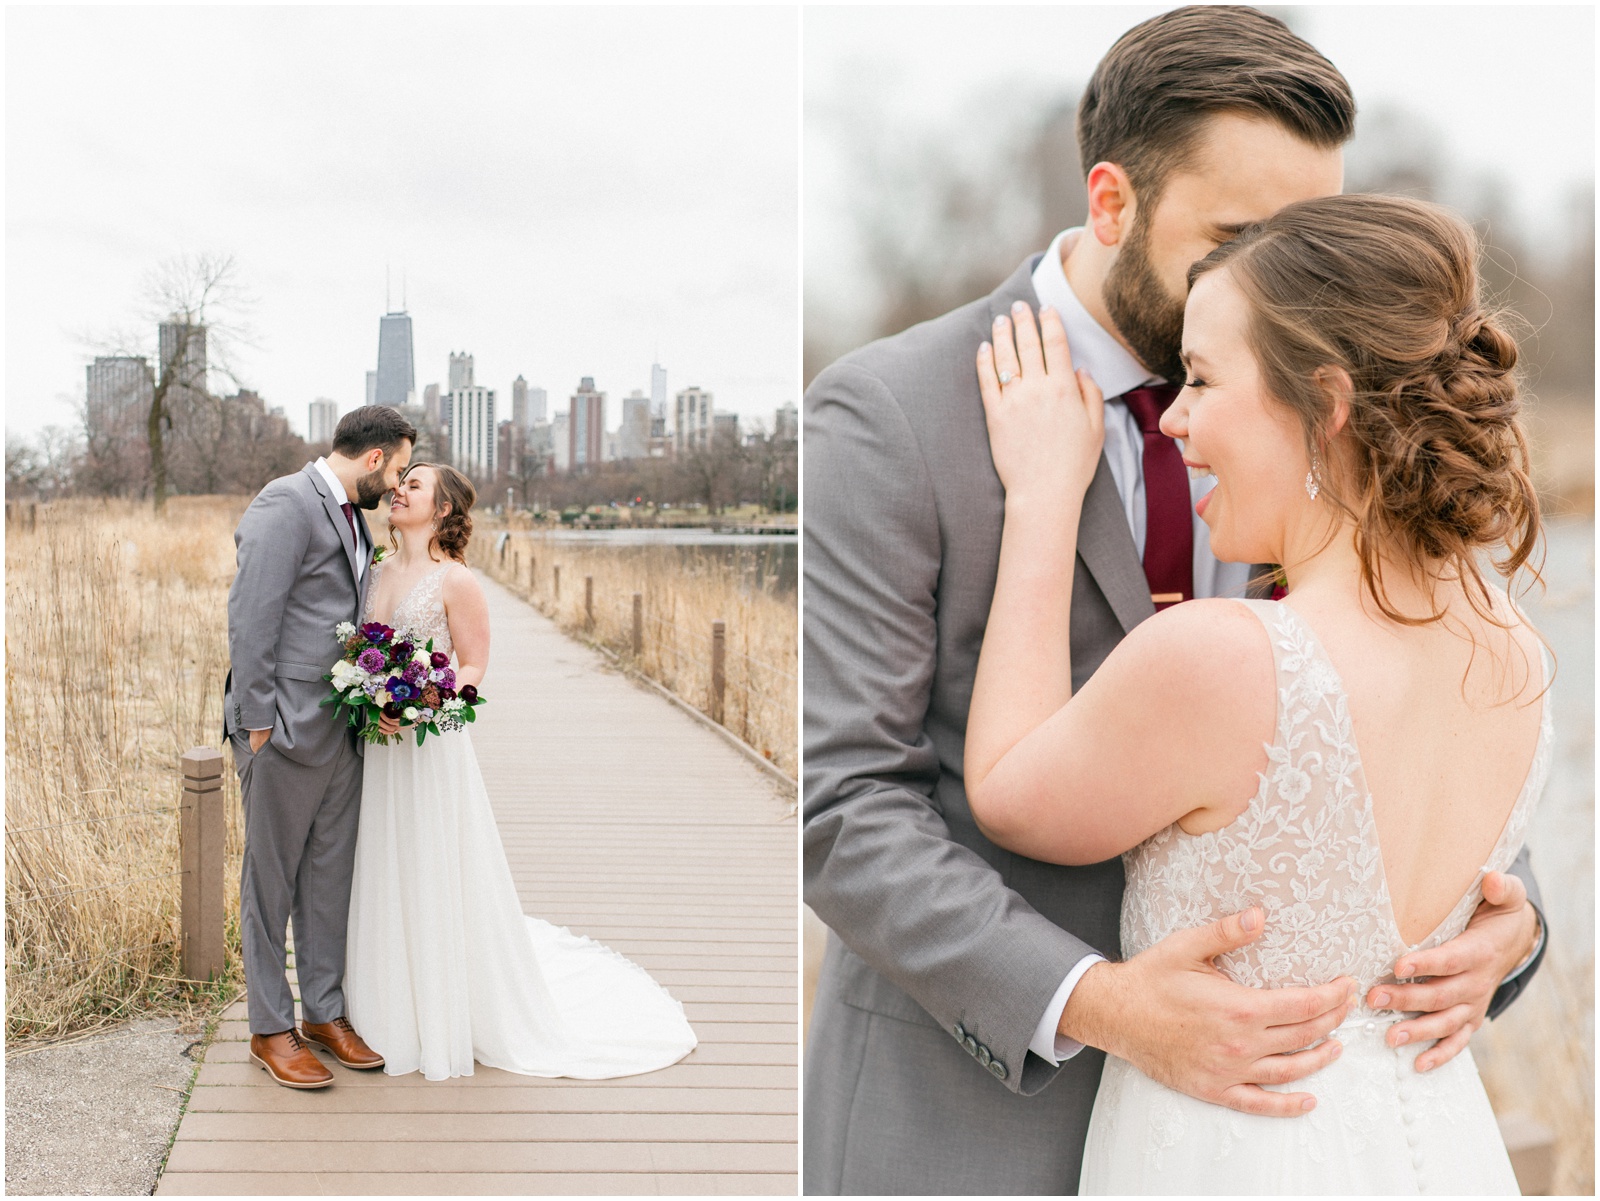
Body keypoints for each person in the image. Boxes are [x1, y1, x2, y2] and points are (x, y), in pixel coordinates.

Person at [802, 7, 1546, 1193]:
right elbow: (839, 806)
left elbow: (1400, 704)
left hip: (1277, 1127)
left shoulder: (1332, 416)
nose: (1280, 275)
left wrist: (1507, 924)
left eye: (1311, 234)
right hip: (967, 1118)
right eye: (1240, 234)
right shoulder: (890, 414)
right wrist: (1100, 1004)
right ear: (1111, 203)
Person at [966, 192, 1549, 1193]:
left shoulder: (1226, 658)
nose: (1175, 420)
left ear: (1324, 404)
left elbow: (1008, 792)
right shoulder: (1517, 648)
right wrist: (1523, 926)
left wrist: (1042, 500)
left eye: (1198, 378)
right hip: (1439, 1147)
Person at [342, 462, 698, 1080]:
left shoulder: (455, 581)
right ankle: (379, 1006)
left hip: (428, 748)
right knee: (380, 861)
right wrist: (368, 696)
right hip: (378, 746)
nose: (399, 490)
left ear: (445, 510)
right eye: (402, 482)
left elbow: (474, 663)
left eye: (415, 485)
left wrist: (422, 699)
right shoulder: (372, 570)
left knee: (431, 861)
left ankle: (443, 1008)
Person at [226, 404, 415, 1088]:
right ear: (374, 457)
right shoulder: (286, 501)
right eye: (397, 469)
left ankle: (323, 1013)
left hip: (342, 726)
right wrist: (256, 719)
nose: (397, 485)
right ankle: (270, 1027)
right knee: (269, 881)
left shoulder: (352, 516)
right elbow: (252, 613)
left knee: (329, 876)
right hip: (282, 727)